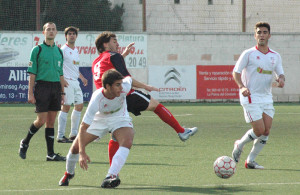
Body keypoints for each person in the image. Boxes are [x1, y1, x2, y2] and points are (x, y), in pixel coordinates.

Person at [92, 31, 198, 166]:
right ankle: (182, 131)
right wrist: (145, 86)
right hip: (124, 96)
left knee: (116, 134)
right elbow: (126, 79)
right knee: (155, 105)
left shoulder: (96, 61)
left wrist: (123, 55)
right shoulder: (114, 56)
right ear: (105, 44)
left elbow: (111, 70)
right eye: (114, 41)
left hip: (107, 101)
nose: (117, 43)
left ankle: (112, 172)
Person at [59, 69, 134, 188]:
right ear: (108, 86)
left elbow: (130, 79)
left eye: (121, 84)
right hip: (99, 119)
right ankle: (69, 173)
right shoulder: (96, 99)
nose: (121, 88)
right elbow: (83, 127)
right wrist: (82, 153)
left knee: (127, 141)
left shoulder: (125, 87)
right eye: (117, 85)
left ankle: (111, 176)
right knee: (75, 147)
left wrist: (146, 86)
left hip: (119, 117)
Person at [232, 22, 285, 169]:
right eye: (259, 32)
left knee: (266, 131)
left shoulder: (275, 56)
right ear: (255, 35)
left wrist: (281, 79)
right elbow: (236, 72)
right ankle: (240, 144)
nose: (262, 35)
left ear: (269, 35)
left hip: (266, 98)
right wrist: (242, 87)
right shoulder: (248, 54)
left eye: (264, 32)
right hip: (250, 97)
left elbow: (280, 74)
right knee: (259, 130)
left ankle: (250, 161)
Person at [18, 22, 66, 161]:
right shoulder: (37, 50)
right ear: (43, 33)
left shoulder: (59, 51)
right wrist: (30, 93)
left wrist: (62, 93)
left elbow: (60, 74)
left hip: (56, 88)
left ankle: (50, 154)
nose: (51, 31)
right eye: (48, 29)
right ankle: (25, 142)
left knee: (51, 122)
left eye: (53, 29)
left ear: (56, 32)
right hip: (42, 87)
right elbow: (32, 74)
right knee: (41, 120)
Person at [57, 26, 88, 143]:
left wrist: (82, 78)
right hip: (67, 81)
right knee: (66, 107)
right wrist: (62, 80)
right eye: (69, 34)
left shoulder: (75, 50)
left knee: (79, 106)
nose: (72, 35)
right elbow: (58, 66)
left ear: (76, 36)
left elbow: (74, 68)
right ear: (66, 36)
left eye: (74, 34)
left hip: (76, 81)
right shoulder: (63, 50)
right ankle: (60, 135)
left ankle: (74, 134)